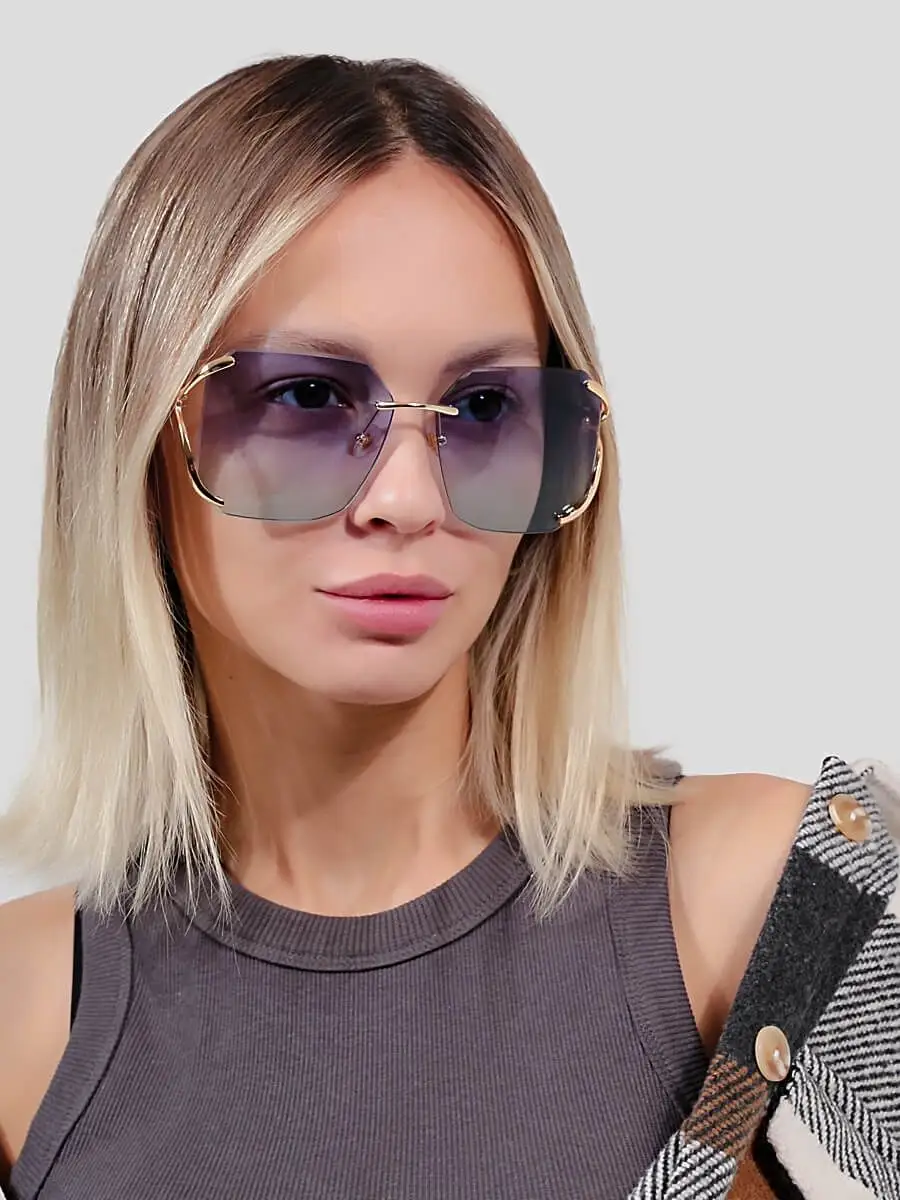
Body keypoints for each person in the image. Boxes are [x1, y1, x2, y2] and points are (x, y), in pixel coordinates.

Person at [0, 54, 896, 1200]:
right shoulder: (28, 1021)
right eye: (308, 397)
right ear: (135, 440)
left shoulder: (788, 905)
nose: (409, 499)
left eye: (482, 408)